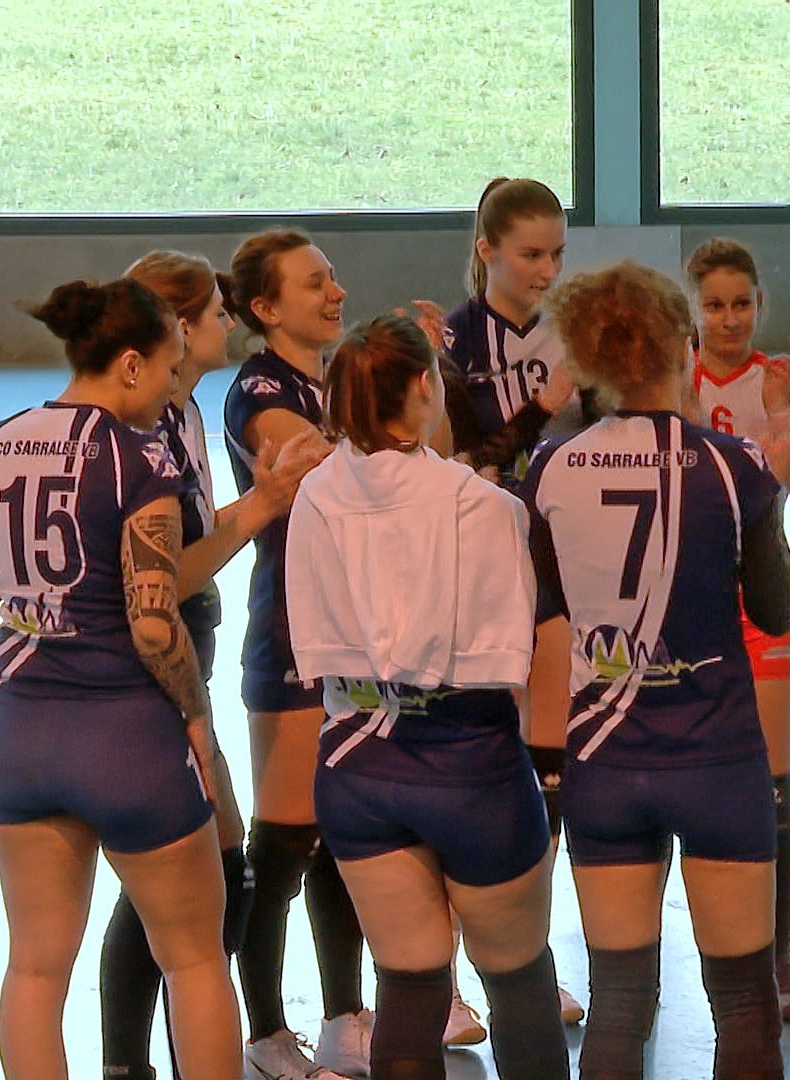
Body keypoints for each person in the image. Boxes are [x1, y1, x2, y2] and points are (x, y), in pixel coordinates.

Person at [0, 278, 241, 1080]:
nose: (173, 391)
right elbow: (152, 619)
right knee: (195, 961)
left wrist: (47, 590)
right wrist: (197, 716)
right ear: (132, 365)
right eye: (171, 371)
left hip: (10, 734)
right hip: (123, 738)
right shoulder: (140, 458)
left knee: (35, 966)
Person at [524, 260, 790, 1080]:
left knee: (618, 997)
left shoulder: (550, 468)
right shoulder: (731, 463)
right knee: (745, 1000)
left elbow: (549, 609)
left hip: (605, 758)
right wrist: (772, 495)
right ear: (682, 342)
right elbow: (776, 608)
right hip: (716, 757)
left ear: (588, 356)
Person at [282, 314, 571, 1079]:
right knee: (515, 976)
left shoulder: (312, 495)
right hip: (471, 767)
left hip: (358, 766)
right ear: (422, 387)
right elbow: (512, 657)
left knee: (408, 983)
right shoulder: (487, 507)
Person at [98, 252, 326, 1080]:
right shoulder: (144, 428)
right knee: (194, 874)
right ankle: (141, 1060)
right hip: (153, 664)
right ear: (177, 329)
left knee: (208, 871)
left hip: (190, 645)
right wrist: (263, 505)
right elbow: (170, 573)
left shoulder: (182, 408)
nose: (227, 322)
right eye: (216, 313)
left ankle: (151, 1057)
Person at [439, 176, 588, 1032]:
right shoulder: (451, 343)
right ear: (488, 249)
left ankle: (528, 961)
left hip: (560, 569)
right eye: (531, 253)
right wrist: (541, 405)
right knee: (470, 768)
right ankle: (446, 977)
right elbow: (469, 460)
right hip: (474, 570)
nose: (547, 269)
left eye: (557, 254)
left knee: (550, 771)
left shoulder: (571, 333)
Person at [222, 228, 372, 1080]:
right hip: (289, 635)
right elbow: (326, 475)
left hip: (355, 632)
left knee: (346, 832)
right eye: (315, 283)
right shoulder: (260, 388)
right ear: (267, 308)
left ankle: (347, 1016)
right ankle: (266, 1030)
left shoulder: (328, 380)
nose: (336, 292)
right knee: (282, 843)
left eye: (334, 278)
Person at [684, 237, 790, 1021]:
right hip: (685, 611)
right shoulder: (675, 381)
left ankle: (779, 959)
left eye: (743, 303)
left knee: (776, 786)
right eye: (715, 304)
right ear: (693, 309)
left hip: (764, 604)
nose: (730, 318)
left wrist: (782, 430)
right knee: (692, 782)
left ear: (760, 306)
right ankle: (716, 951)